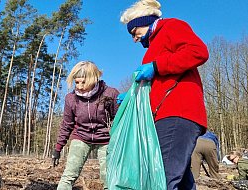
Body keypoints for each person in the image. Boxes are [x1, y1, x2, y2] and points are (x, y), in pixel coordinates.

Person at [119, 0, 209, 189]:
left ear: (144, 21)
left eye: (134, 32)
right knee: (180, 180)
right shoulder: (153, 46)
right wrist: (131, 96)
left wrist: (157, 66)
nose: (134, 39)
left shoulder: (171, 26)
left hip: (178, 112)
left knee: (162, 179)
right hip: (164, 115)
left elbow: (198, 51)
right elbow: (157, 84)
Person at [51, 61, 119, 190]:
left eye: (84, 82)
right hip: (81, 136)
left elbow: (119, 119)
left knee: (108, 176)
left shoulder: (110, 94)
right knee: (69, 174)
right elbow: (67, 124)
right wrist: (58, 148)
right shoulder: (71, 98)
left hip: (106, 139)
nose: (80, 87)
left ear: (94, 79)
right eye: (77, 82)